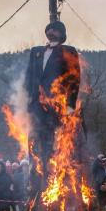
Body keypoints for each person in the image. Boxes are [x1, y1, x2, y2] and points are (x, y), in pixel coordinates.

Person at [25, 21, 81, 185]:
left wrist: (70, 104)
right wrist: (29, 100)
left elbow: (74, 79)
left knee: (54, 143)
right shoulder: (36, 52)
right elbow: (29, 77)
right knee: (35, 142)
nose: (51, 31)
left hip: (57, 105)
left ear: (62, 34)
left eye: (55, 30)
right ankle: (37, 178)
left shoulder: (68, 51)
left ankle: (53, 177)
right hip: (36, 105)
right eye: (49, 29)